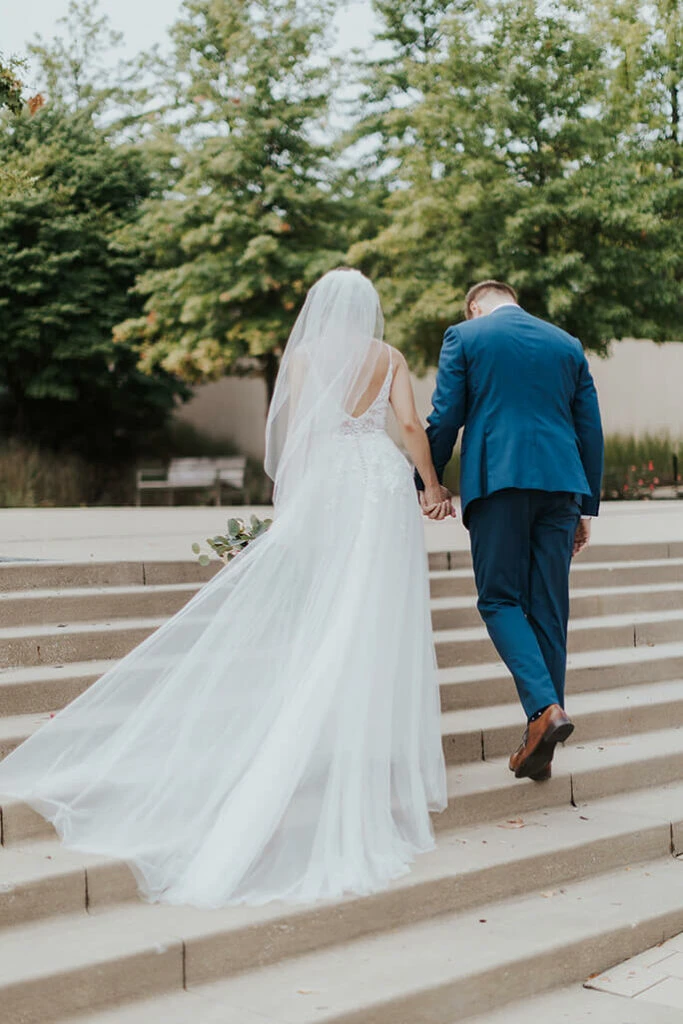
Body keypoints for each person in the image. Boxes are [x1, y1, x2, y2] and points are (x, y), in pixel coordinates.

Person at [0, 269, 448, 907]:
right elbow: (408, 428)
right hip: (378, 482)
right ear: (369, 310)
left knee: (329, 606)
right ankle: (352, 737)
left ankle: (319, 722)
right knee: (371, 611)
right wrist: (429, 484)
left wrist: (295, 497)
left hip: (331, 482)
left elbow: (294, 433)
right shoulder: (390, 357)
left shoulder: (305, 356)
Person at [419, 280, 603, 782]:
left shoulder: (466, 336)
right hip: (562, 486)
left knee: (499, 599)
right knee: (549, 609)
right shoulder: (567, 343)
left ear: (476, 305)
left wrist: (427, 480)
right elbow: (589, 427)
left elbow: (445, 418)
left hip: (499, 481)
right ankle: (542, 734)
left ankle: (545, 710)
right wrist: (585, 505)